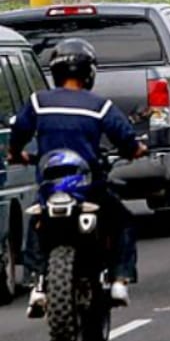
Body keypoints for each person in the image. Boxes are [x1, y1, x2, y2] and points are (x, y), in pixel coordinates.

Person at [7, 39, 147, 317]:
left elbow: (19, 134)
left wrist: (15, 154)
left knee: (37, 220)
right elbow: (126, 140)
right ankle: (119, 280)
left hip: (51, 188)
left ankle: (38, 284)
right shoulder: (99, 106)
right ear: (89, 73)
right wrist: (136, 150)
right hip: (89, 188)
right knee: (124, 222)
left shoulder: (38, 102)